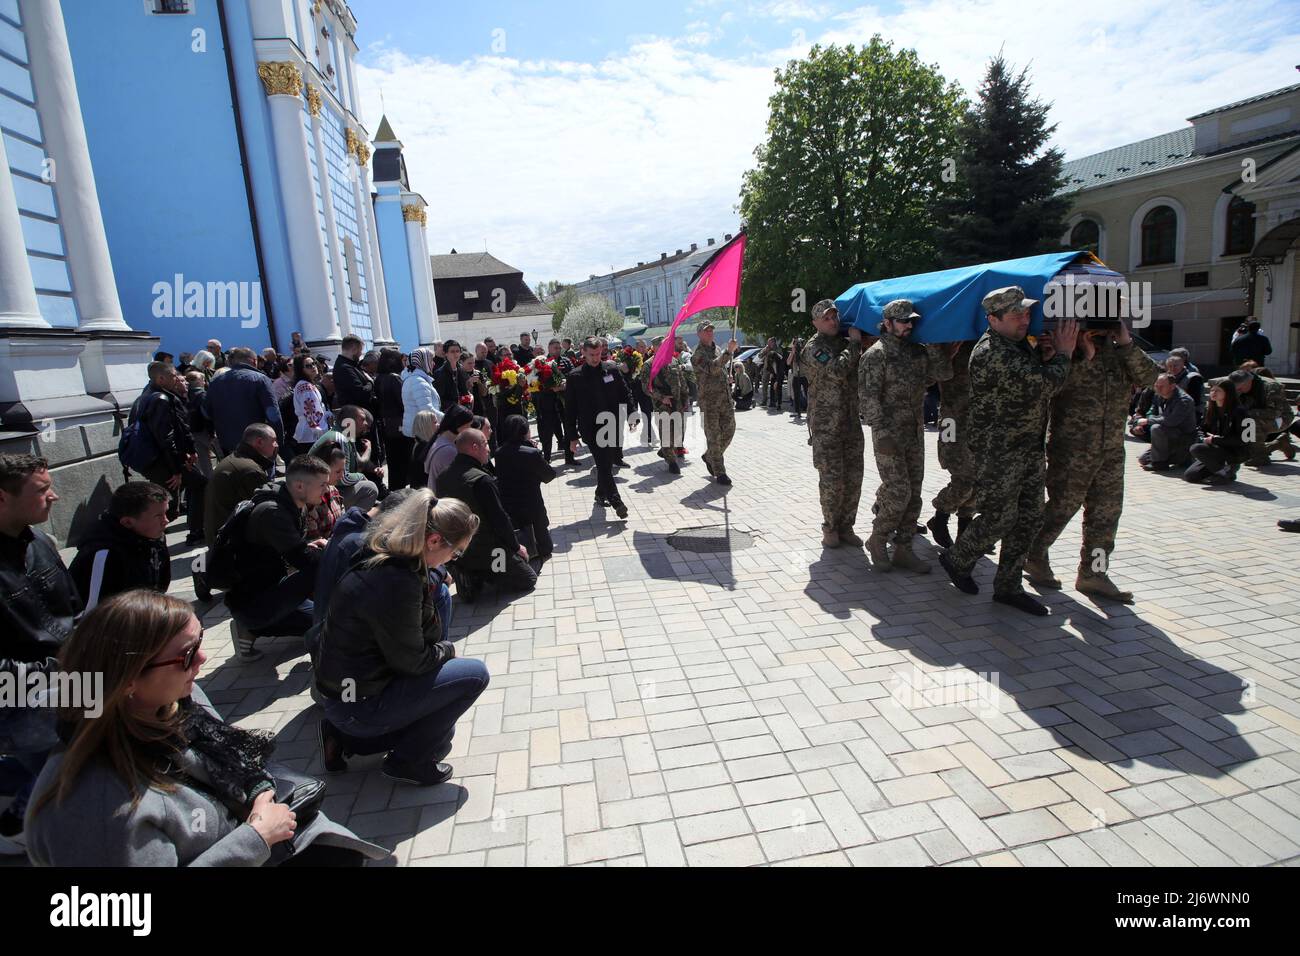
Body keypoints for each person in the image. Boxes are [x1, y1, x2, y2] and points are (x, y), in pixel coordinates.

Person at [25, 590, 387, 866]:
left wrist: (259, 792)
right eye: (186, 655)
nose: (202, 659)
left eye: (199, 643)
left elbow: (226, 750)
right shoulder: (96, 809)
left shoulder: (172, 699)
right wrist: (256, 837)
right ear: (128, 680)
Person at [314, 493, 488, 785]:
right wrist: (446, 651)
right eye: (455, 552)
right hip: (358, 704)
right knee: (473, 677)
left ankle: (345, 737)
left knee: (442, 730)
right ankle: (406, 762)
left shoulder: (384, 552)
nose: (453, 560)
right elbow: (414, 661)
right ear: (433, 541)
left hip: (346, 694)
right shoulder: (397, 581)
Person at [938, 288, 1078, 616]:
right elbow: (1045, 386)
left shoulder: (1015, 346)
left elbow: (1031, 385)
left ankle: (1008, 586)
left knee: (1029, 516)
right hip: (1000, 450)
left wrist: (1045, 356)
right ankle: (958, 558)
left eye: (1027, 313)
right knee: (1001, 516)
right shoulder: (993, 351)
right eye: (1016, 316)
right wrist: (1063, 354)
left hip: (1027, 446)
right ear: (993, 319)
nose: (1025, 320)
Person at [1024, 320, 1160, 604]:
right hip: (1073, 448)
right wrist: (1082, 355)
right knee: (1062, 507)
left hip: (1111, 449)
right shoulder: (1060, 345)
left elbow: (1149, 378)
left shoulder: (1121, 352)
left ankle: (1094, 574)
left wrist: (1125, 342)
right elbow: (1045, 388)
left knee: (1106, 514)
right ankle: (1033, 556)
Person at [0, 454, 80, 854]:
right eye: (41, 490)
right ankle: (17, 820)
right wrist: (62, 672)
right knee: (101, 715)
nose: (55, 497)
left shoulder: (41, 542)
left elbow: (73, 613)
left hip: (62, 676)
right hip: (14, 694)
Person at [858, 300, 955, 572]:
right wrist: (881, 430)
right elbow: (867, 398)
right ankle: (877, 540)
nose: (909, 325)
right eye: (903, 321)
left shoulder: (917, 352)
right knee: (899, 491)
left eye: (911, 321)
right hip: (888, 434)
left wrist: (935, 345)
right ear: (887, 323)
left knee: (915, 494)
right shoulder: (876, 354)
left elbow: (944, 373)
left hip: (914, 432)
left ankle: (904, 548)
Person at [222, 455, 331, 660]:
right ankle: (249, 625)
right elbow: (305, 561)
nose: (327, 489)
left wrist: (308, 547)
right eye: (322, 485)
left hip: (271, 588)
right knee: (322, 568)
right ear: (299, 486)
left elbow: (288, 550)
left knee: (326, 622)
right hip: (254, 602)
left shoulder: (285, 499)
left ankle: (253, 626)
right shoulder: (273, 512)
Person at [312, 488, 451, 645]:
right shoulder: (366, 545)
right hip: (339, 642)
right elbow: (410, 580)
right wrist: (440, 572)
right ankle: (437, 653)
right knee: (440, 592)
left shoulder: (352, 526)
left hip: (330, 628)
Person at [435, 430, 538, 600]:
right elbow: (500, 519)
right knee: (529, 578)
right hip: (489, 550)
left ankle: (471, 575)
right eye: (485, 444)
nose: (489, 449)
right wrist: (516, 547)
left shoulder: (443, 478)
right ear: (474, 447)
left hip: (459, 551)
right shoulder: (482, 480)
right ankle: (490, 575)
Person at [797, 300, 864, 548]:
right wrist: (855, 344)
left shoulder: (844, 343)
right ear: (815, 322)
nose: (833, 321)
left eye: (835, 317)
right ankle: (830, 527)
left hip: (850, 420)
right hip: (826, 424)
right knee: (832, 478)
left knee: (854, 476)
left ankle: (847, 526)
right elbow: (837, 370)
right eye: (826, 318)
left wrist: (855, 344)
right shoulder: (814, 348)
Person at [131, 362, 207, 545]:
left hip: (159, 460)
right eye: (173, 376)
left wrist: (188, 451)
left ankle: (155, 536)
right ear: (160, 378)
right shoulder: (160, 400)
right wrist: (176, 470)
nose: (177, 378)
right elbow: (166, 437)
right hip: (163, 461)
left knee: (173, 494)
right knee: (186, 491)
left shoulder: (148, 396)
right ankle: (192, 531)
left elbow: (178, 428)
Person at [69, 482, 171, 610]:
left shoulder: (155, 539)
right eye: (158, 516)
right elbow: (93, 612)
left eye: (165, 513)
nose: (166, 521)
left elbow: (159, 588)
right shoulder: (104, 554)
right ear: (127, 522)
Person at [565, 336, 632, 518]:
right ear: (584, 353)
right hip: (590, 428)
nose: (595, 358)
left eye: (598, 354)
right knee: (603, 462)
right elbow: (570, 409)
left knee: (607, 462)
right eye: (592, 354)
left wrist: (632, 413)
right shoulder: (575, 377)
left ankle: (600, 493)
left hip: (611, 423)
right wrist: (572, 436)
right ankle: (616, 501)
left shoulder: (611, 370)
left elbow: (624, 392)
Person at [927, 340, 977, 549]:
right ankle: (940, 516)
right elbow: (939, 374)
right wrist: (946, 354)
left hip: (980, 421)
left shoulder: (986, 341)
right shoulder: (948, 338)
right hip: (953, 421)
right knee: (964, 478)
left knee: (979, 480)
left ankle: (965, 529)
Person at [204, 423, 278, 548]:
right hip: (229, 542)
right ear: (259, 442)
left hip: (219, 535)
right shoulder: (249, 470)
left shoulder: (237, 459)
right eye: (274, 441)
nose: (276, 445)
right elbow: (266, 510)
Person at [495, 414, 556, 560]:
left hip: (510, 507)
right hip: (532, 507)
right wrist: (535, 451)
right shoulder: (531, 453)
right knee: (545, 548)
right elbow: (549, 475)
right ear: (525, 431)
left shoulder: (499, 453)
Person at [206, 346, 284, 454]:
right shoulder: (260, 379)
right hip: (258, 443)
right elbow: (273, 414)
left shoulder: (215, 382)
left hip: (228, 444)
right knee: (261, 470)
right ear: (254, 361)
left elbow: (207, 412)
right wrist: (278, 441)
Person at [691, 320, 739, 486]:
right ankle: (720, 472)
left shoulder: (717, 349)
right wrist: (728, 352)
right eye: (706, 330)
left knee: (730, 430)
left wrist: (728, 378)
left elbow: (720, 371)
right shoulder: (697, 355)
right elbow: (711, 368)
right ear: (699, 334)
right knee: (714, 437)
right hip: (709, 402)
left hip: (725, 400)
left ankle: (709, 456)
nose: (710, 332)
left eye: (711, 329)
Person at [309, 405, 382, 512]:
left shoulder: (347, 437)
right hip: (318, 493)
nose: (366, 424)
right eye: (362, 419)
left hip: (324, 489)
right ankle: (349, 523)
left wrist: (372, 467)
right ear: (349, 423)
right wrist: (361, 476)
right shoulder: (340, 438)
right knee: (370, 488)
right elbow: (343, 478)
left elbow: (359, 464)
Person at [1183, 382, 1250, 485]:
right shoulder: (1210, 409)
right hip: (1215, 449)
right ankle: (1221, 469)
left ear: (1228, 393)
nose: (1213, 393)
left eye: (1218, 390)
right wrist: (1202, 438)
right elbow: (1201, 429)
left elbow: (1247, 439)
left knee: (1196, 448)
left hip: (1235, 452)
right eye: (1212, 390)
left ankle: (1225, 472)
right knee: (1191, 476)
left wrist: (1215, 440)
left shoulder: (1241, 412)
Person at [1226, 367, 1295, 465]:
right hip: (1257, 417)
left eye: (1240, 388)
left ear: (1249, 381)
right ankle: (1277, 444)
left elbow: (1275, 413)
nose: (1238, 391)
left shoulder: (1271, 387)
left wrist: (1247, 413)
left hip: (1282, 418)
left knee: (1251, 423)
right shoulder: (1239, 389)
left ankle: (1261, 457)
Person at [647, 336, 691, 474]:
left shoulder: (673, 360)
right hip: (662, 405)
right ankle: (671, 462)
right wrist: (661, 397)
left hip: (677, 403)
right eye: (660, 345)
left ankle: (666, 451)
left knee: (678, 432)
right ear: (654, 347)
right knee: (666, 433)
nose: (664, 348)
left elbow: (681, 381)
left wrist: (685, 398)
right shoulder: (649, 364)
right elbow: (646, 387)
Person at [1137, 374, 1198, 471]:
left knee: (1156, 428)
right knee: (1143, 459)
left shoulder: (1184, 400)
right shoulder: (1159, 395)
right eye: (1156, 385)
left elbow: (1171, 421)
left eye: (1161, 386)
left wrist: (1148, 421)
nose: (1158, 388)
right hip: (1168, 434)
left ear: (1172, 386)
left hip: (1183, 436)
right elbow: (1152, 412)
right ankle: (1177, 458)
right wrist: (1143, 424)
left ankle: (1160, 464)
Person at [375, 349, 410, 491]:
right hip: (399, 425)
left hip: (387, 426)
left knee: (393, 461)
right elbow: (403, 401)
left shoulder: (379, 378)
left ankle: (396, 489)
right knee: (403, 460)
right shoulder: (394, 378)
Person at [424, 404, 475, 487]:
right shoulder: (448, 450)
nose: (471, 429)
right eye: (469, 425)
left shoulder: (440, 440)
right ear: (458, 424)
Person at [289, 353, 329, 456]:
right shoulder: (305, 386)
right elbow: (309, 410)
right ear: (300, 369)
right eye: (308, 366)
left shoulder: (307, 384)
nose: (313, 367)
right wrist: (317, 430)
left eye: (314, 363)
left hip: (312, 432)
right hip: (311, 434)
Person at [304, 448, 348, 541]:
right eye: (338, 471)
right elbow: (315, 540)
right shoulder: (311, 500)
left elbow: (343, 519)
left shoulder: (333, 490)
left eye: (343, 471)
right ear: (324, 469)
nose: (342, 476)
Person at [401, 347, 443, 441]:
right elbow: (427, 410)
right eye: (431, 360)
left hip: (417, 430)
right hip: (421, 432)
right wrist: (446, 418)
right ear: (422, 361)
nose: (434, 363)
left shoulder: (413, 378)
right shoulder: (418, 381)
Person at [184, 370, 216, 479]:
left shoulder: (184, 395)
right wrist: (212, 432)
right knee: (221, 455)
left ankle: (208, 481)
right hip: (205, 431)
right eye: (202, 379)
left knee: (202, 461)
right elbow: (207, 415)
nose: (204, 382)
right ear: (198, 382)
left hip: (192, 430)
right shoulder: (202, 395)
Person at [332, 335, 374, 410]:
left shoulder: (351, 365)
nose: (361, 354)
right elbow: (361, 393)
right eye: (360, 350)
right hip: (355, 414)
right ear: (354, 350)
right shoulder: (345, 368)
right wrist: (370, 382)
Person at [433, 340, 471, 413]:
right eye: (452, 351)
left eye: (457, 351)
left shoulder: (462, 370)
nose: (456, 354)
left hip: (463, 412)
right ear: (445, 353)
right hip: (449, 414)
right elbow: (439, 399)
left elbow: (464, 392)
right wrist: (456, 405)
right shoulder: (440, 373)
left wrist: (468, 397)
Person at [1165, 353, 1204, 419]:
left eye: (1175, 366)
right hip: (1171, 412)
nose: (1172, 368)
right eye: (1170, 366)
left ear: (1183, 365)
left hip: (1190, 414)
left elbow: (1194, 401)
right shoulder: (1166, 379)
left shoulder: (1193, 378)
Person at [787, 338, 808, 418]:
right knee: (796, 394)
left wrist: (802, 351)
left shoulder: (805, 353)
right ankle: (797, 411)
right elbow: (788, 362)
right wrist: (792, 352)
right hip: (796, 376)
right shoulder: (793, 353)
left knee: (807, 393)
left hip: (804, 376)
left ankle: (809, 410)